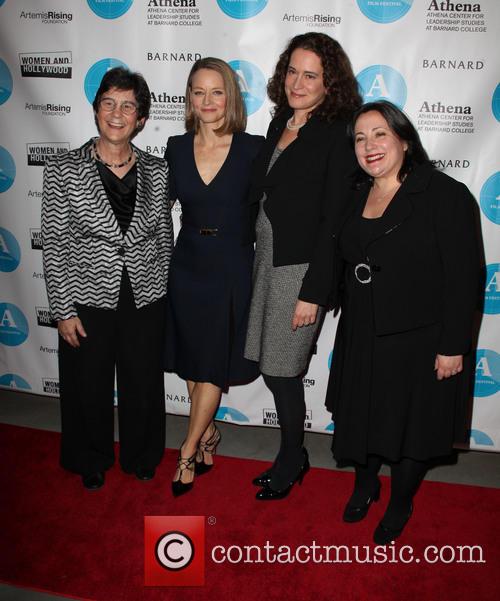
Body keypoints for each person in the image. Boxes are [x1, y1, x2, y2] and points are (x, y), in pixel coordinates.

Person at [326, 100, 479, 544]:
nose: (369, 145)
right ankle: (366, 483)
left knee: (412, 427)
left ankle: (400, 501)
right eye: (359, 137)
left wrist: (452, 345)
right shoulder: (356, 192)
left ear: (404, 140)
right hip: (362, 331)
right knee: (361, 416)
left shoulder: (443, 194)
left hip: (419, 337)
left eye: (379, 134)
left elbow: (463, 276)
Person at [41, 67, 173, 490]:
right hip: (86, 299)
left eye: (128, 105)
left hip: (145, 297)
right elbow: (55, 243)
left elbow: (164, 239)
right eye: (108, 103)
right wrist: (62, 310)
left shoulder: (158, 170)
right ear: (96, 109)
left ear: (142, 118)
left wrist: (162, 296)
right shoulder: (64, 168)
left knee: (143, 381)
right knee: (87, 384)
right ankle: (90, 457)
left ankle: (143, 453)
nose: (117, 114)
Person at [244, 32, 361, 500]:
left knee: (280, 370)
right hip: (267, 260)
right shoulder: (281, 121)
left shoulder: (338, 131)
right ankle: (293, 453)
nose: (298, 82)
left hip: (300, 268)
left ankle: (293, 457)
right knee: (273, 367)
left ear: (329, 83)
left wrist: (314, 291)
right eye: (292, 70)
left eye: (310, 74)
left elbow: (334, 218)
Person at [164, 57, 264, 496]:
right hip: (186, 263)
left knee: (210, 359)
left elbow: (275, 212)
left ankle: (187, 449)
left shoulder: (253, 149)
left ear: (231, 97)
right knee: (193, 358)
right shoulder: (174, 147)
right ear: (189, 98)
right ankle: (207, 435)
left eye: (216, 91)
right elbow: (157, 209)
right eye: (198, 92)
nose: (207, 101)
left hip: (231, 265)